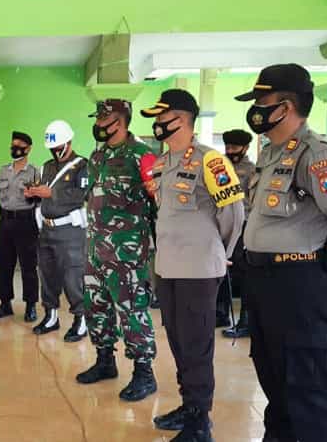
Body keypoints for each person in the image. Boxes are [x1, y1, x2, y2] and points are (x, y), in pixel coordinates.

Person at [235, 64, 327, 442]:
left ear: (287, 106)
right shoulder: (271, 155)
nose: (255, 110)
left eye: (262, 101)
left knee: (309, 386)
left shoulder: (317, 156)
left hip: (302, 285)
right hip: (265, 283)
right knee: (275, 381)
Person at [141, 89, 245, 442]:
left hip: (199, 268)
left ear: (181, 119)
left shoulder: (210, 161)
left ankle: (200, 422)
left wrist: (218, 251)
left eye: (162, 118)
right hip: (168, 266)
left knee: (197, 344)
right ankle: (189, 405)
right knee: (179, 341)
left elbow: (233, 214)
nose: (157, 124)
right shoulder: (164, 162)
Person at [76, 99, 159, 403]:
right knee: (96, 305)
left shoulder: (142, 155)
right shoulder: (98, 156)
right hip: (96, 248)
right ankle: (105, 360)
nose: (98, 125)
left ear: (120, 122)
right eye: (97, 119)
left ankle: (144, 372)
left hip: (127, 251)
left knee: (132, 310)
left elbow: (157, 201)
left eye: (104, 120)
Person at [25, 120, 88, 342]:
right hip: (46, 230)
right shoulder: (47, 167)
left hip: (70, 231)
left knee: (72, 278)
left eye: (58, 147)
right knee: (47, 275)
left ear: (68, 142)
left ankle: (81, 320)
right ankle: (51, 316)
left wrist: (52, 194)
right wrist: (33, 193)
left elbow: (82, 195)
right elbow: (42, 193)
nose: (55, 151)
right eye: (52, 148)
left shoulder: (81, 166)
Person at [0, 131, 40, 322]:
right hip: (5, 222)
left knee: (28, 266)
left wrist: (33, 196)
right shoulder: (3, 171)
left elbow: (39, 200)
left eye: (19, 146)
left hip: (26, 222)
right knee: (4, 265)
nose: (15, 149)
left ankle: (31, 305)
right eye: (13, 145)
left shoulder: (34, 172)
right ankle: (5, 304)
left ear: (28, 149)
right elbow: (1, 197)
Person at [219, 129, 256, 339]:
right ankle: (220, 313)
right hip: (222, 225)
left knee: (244, 273)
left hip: (245, 225)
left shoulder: (252, 171)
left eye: (235, 147)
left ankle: (246, 321)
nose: (230, 151)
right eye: (227, 147)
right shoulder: (219, 167)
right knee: (220, 269)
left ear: (246, 148)